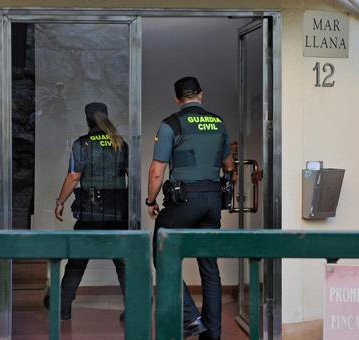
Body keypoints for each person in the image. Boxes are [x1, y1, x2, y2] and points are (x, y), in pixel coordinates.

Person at [146, 76, 234, 339]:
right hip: (212, 202)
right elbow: (229, 166)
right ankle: (212, 334)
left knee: (161, 255)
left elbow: (156, 172)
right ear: (201, 95)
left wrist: (151, 202)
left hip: (183, 202)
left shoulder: (170, 124)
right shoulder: (218, 123)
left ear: (177, 99)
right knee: (209, 266)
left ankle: (191, 317)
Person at [44, 102, 128, 321]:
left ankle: (62, 308)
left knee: (77, 260)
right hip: (118, 211)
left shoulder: (82, 144)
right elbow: (132, 175)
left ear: (87, 119)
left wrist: (60, 201)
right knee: (122, 261)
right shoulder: (120, 143)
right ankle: (135, 308)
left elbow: (74, 177)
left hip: (90, 212)